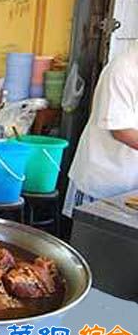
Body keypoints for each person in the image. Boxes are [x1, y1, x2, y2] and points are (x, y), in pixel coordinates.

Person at [63, 47, 138, 218]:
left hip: (131, 185)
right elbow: (121, 131)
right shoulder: (124, 69)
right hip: (103, 183)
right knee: (90, 239)